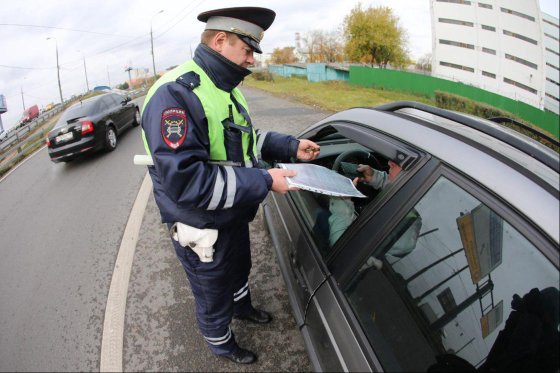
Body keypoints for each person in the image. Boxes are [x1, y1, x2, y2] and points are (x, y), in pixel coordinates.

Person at [140, 7, 320, 365]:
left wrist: (288, 146)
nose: (251, 60)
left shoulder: (224, 88)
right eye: (248, 50)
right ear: (220, 41)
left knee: (239, 267)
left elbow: (244, 142)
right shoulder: (175, 94)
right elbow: (188, 182)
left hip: (231, 213)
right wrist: (266, 180)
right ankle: (221, 344)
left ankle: (244, 308)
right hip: (200, 224)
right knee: (213, 291)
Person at [328, 160, 401, 246]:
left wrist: (341, 199)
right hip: (363, 226)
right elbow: (401, 182)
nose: (389, 163)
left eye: (401, 162)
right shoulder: (411, 190)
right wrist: (375, 177)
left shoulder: (405, 231)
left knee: (320, 214)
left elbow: (341, 247)